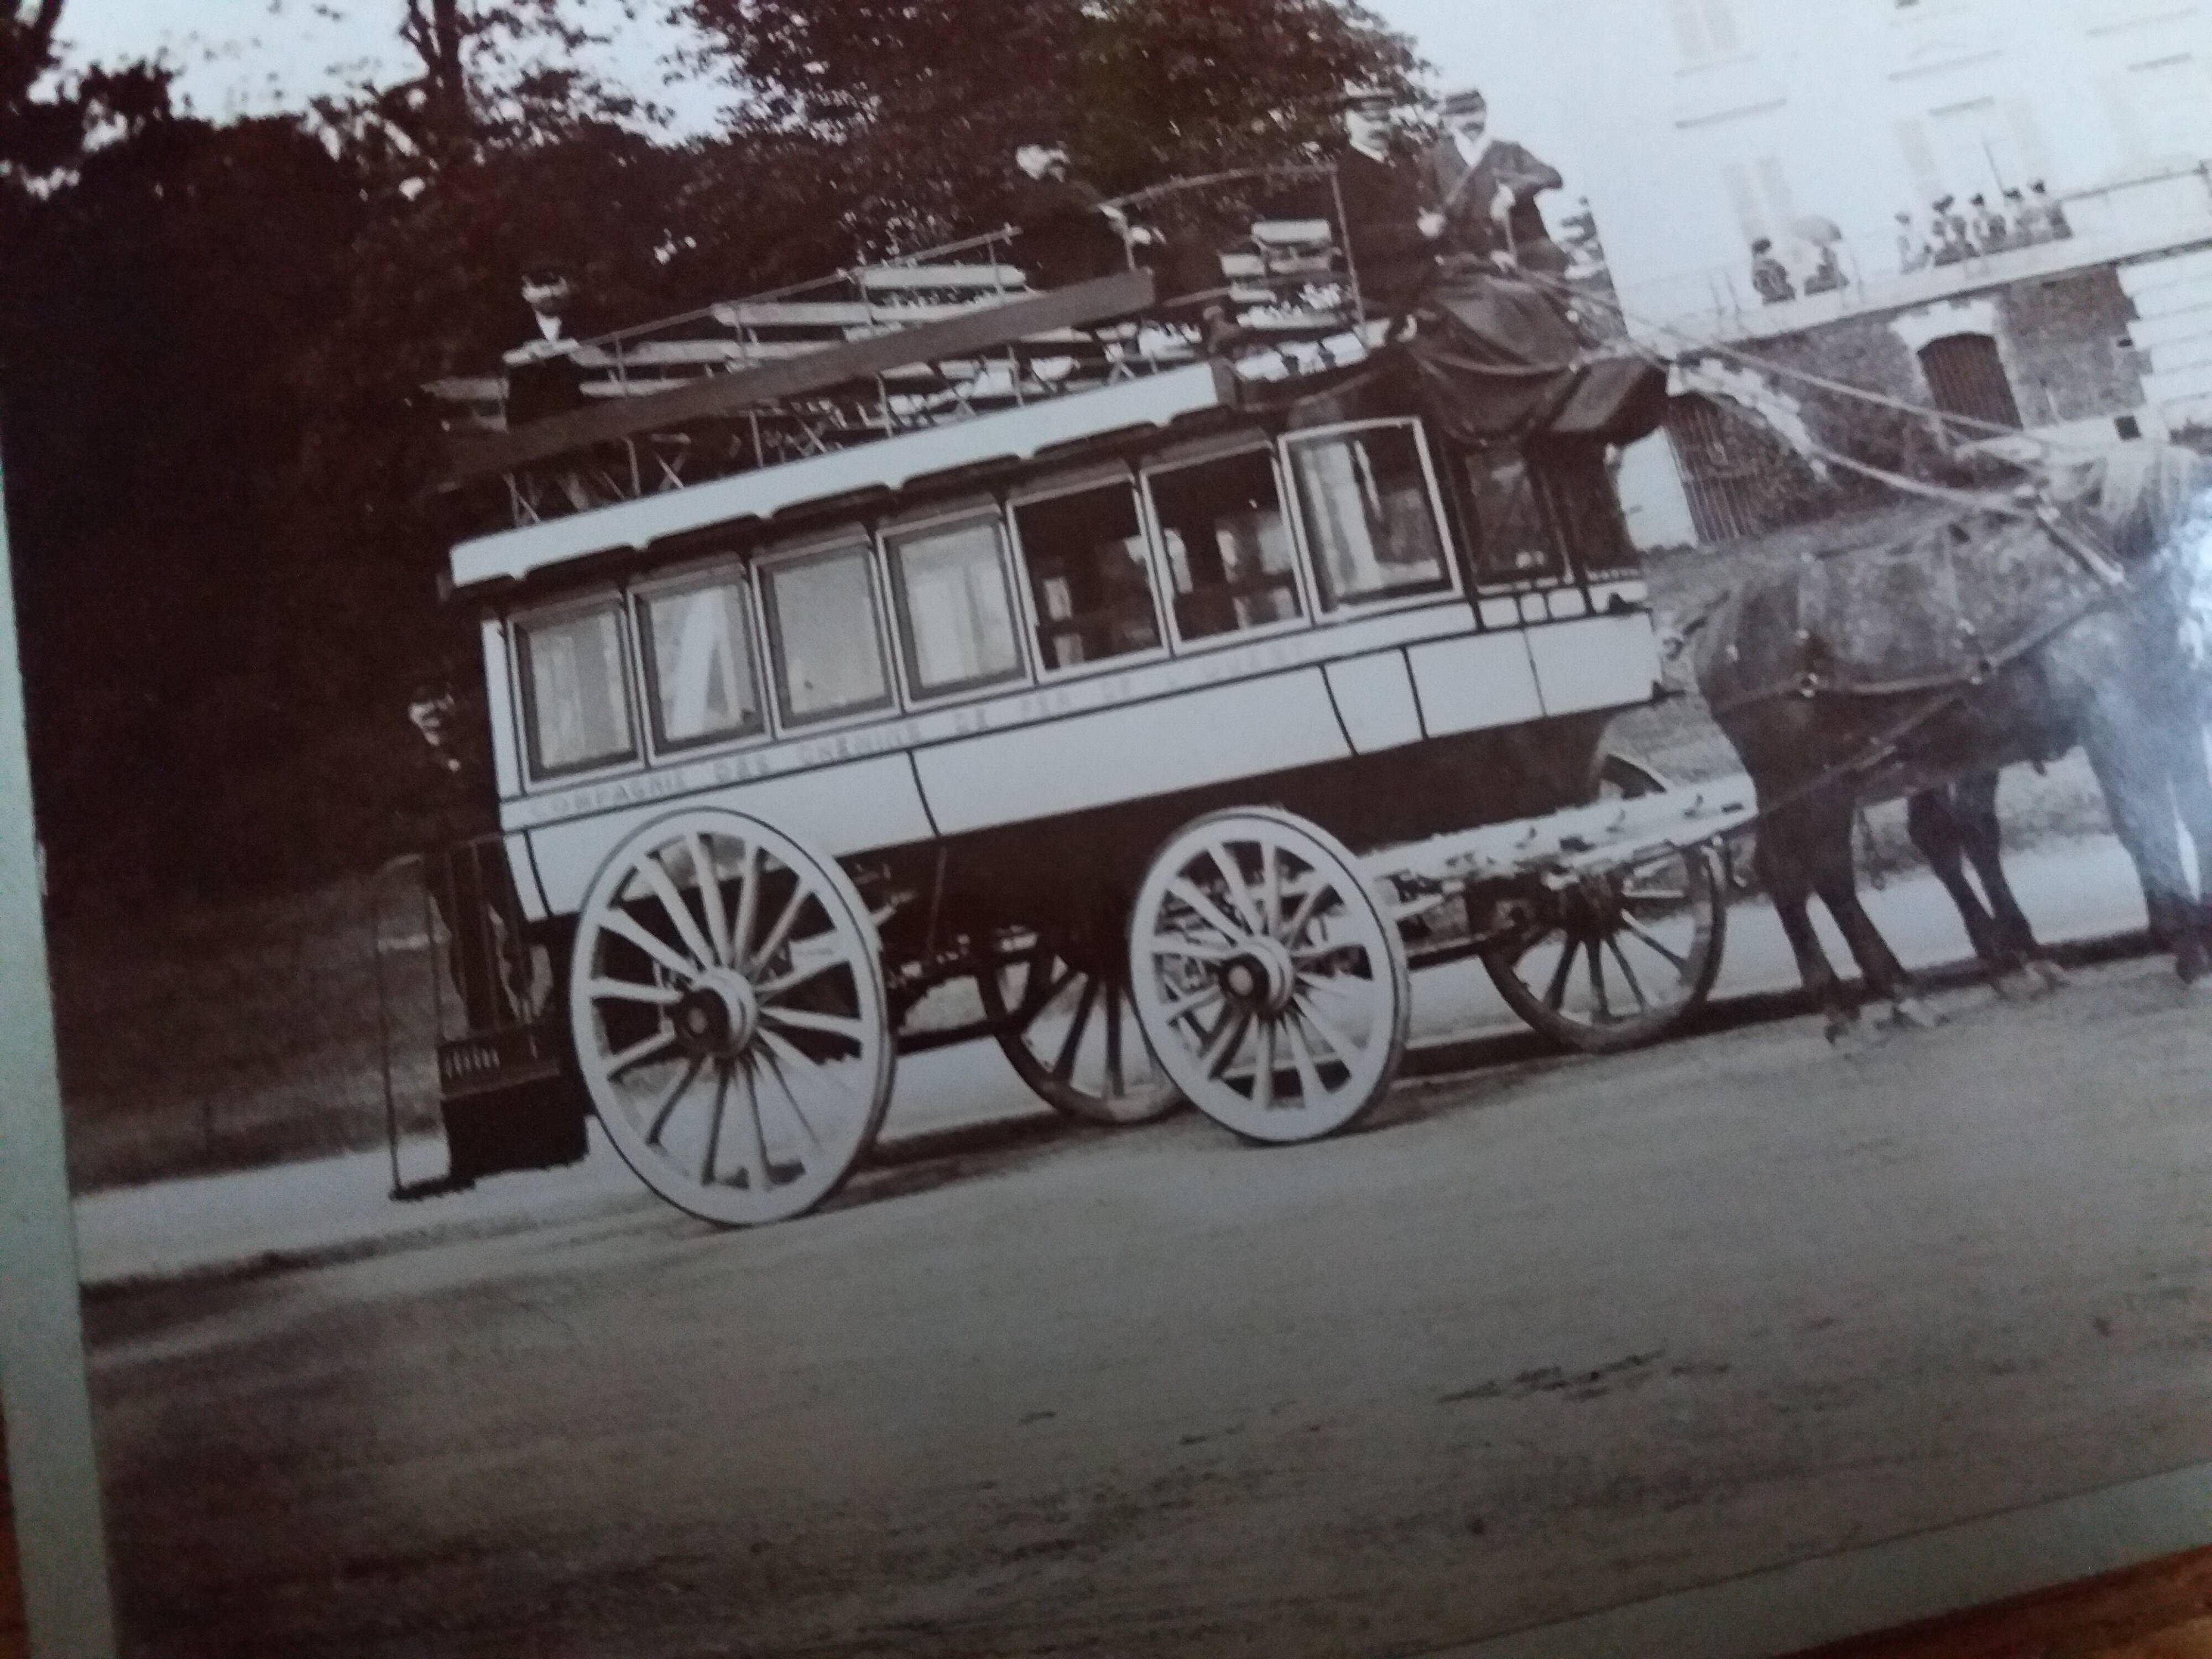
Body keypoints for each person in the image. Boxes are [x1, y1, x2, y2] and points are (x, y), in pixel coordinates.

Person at [404, 681, 526, 1033]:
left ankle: (552, 1004)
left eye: (439, 700)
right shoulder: (409, 766)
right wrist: (441, 830)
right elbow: (399, 821)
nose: (434, 715)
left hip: (494, 855)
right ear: (411, 717)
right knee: (471, 943)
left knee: (528, 924)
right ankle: (493, 1027)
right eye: (422, 706)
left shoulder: (478, 744)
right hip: (449, 867)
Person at [1329, 84, 1443, 328]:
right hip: (1383, 279)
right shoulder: (1344, 174)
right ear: (1348, 122)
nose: (1379, 128)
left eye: (1383, 120)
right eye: (1369, 121)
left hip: (1424, 270)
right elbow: (1354, 239)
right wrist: (1418, 231)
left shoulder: (1403, 164)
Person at [1424, 85, 1568, 276]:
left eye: (1476, 112)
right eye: (1462, 114)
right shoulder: (1434, 159)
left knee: (1550, 260)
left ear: (1485, 112)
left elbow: (1551, 176)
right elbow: (1429, 206)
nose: (1471, 120)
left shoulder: (1510, 151)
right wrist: (1487, 252)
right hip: (1472, 257)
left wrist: (1509, 194)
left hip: (1524, 250)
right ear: (1449, 120)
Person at [1006, 135, 1146, 290]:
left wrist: (1123, 226)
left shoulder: (1079, 188)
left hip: (1087, 255)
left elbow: (1111, 213)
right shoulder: (1036, 196)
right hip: (1071, 260)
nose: (1059, 169)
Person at [1749, 237, 1794, 304]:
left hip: (1772, 297)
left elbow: (1757, 285)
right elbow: (1772, 277)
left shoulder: (1756, 263)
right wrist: (1781, 292)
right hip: (1778, 297)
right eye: (1770, 248)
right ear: (1766, 249)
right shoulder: (1765, 261)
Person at [1895, 209, 1931, 274]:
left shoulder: (1913, 230)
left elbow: (1924, 247)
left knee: (1905, 268)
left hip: (1920, 260)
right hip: (1921, 259)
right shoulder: (1912, 230)